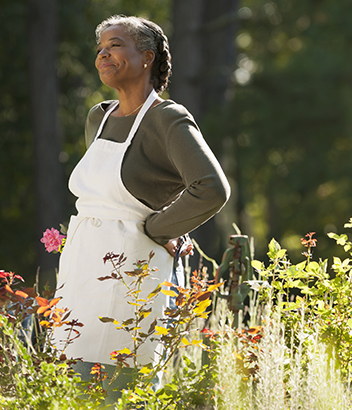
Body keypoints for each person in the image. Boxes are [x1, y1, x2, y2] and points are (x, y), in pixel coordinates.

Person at [54, 15, 230, 374]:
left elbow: (211, 188)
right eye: (100, 49)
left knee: (123, 381)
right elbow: (105, 194)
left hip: (135, 269)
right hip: (82, 267)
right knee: (72, 379)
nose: (103, 54)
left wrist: (158, 228)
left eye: (115, 45)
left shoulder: (167, 119)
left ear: (147, 57)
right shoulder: (98, 118)